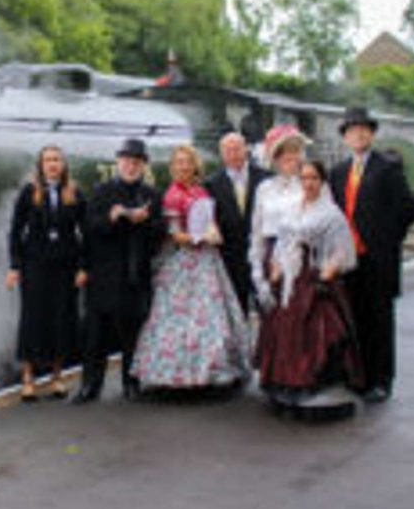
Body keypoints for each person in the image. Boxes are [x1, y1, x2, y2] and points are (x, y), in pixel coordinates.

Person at [130, 145, 251, 390]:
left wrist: (214, 232)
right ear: (173, 166)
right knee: (183, 319)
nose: (184, 166)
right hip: (185, 262)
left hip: (208, 259)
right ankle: (179, 374)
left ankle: (210, 372)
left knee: (212, 318)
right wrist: (201, 238)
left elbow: (209, 221)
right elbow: (175, 235)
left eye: (188, 162)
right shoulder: (172, 194)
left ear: (195, 165)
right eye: (179, 162)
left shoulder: (200, 189)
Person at [253, 159, 363, 409]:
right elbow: (282, 241)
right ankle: (282, 380)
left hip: (313, 277)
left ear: (322, 181)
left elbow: (343, 250)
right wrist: (276, 268)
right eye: (304, 178)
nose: (308, 183)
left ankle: (306, 380)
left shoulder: (331, 213)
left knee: (310, 329)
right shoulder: (293, 208)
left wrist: (327, 273)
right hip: (288, 277)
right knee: (281, 327)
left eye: (313, 178)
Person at [329, 107, 414, 403]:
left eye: (364, 129)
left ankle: (382, 380)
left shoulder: (387, 167)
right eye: (352, 130)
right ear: (345, 137)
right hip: (349, 259)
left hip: (377, 259)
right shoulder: (339, 172)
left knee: (380, 321)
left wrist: (387, 241)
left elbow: (409, 209)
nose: (358, 134)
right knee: (356, 319)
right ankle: (361, 377)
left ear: (372, 133)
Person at [73, 138, 164, 404]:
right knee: (95, 335)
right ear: (118, 162)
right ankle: (91, 385)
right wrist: (112, 218)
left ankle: (131, 383)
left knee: (133, 333)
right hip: (103, 273)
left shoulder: (152, 195)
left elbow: (159, 235)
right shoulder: (102, 191)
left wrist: (143, 222)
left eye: (136, 161)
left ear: (143, 165)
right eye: (126, 160)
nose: (131, 165)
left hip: (135, 273)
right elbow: (89, 229)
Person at [6, 146, 87, 401]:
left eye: (57, 160)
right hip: (35, 265)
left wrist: (84, 267)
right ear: (40, 165)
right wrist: (14, 266)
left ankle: (57, 377)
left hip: (65, 266)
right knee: (33, 319)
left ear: (64, 165)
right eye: (48, 160)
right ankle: (28, 378)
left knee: (62, 319)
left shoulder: (74, 193)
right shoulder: (29, 192)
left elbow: (86, 233)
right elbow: (15, 231)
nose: (52, 164)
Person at [205, 131, 270, 313]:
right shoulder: (211, 184)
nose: (233, 154)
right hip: (230, 258)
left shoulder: (266, 178)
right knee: (235, 311)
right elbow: (211, 220)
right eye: (228, 150)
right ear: (222, 154)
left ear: (246, 150)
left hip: (262, 254)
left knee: (268, 309)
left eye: (237, 149)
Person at [248, 124, 309, 317]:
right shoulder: (264, 188)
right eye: (283, 152)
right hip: (272, 257)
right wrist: (258, 272)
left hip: (302, 260)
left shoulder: (311, 184)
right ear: (274, 158)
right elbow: (257, 232)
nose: (289, 157)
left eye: (294, 151)